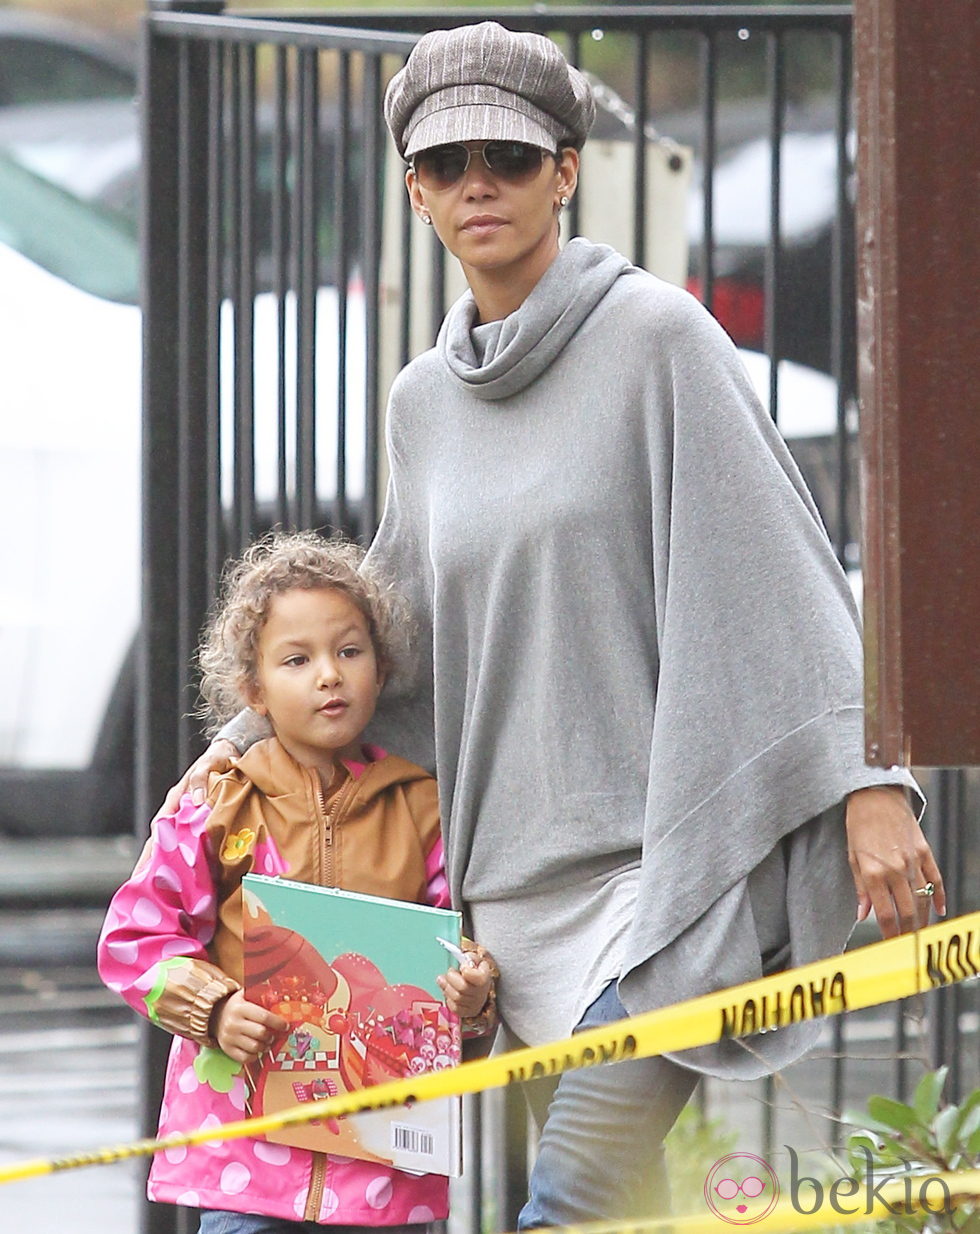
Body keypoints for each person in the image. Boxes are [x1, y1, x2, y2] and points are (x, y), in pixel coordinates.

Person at [165, 22, 945, 1229]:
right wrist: (236, 750)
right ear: (415, 192)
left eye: (510, 158)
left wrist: (867, 777)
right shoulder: (423, 404)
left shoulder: (657, 340)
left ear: (565, 170)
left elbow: (780, 568)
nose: (479, 184)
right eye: (447, 163)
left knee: (570, 1203)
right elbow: (398, 640)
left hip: (661, 889)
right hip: (497, 921)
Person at [100, 531, 497, 1233]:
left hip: (382, 1177)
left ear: (382, 668)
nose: (329, 675)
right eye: (297, 659)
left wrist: (470, 994)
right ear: (252, 691)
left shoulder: (424, 810)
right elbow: (136, 939)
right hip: (245, 1171)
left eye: (350, 651)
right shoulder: (216, 805)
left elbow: (450, 959)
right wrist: (215, 1010)